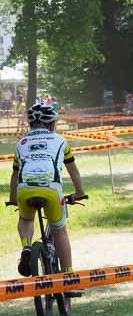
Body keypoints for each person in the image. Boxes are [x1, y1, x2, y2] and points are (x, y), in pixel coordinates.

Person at [10, 104, 85, 277]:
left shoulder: (21, 143)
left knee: (25, 219)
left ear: (30, 124)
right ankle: (68, 276)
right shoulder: (60, 141)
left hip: (24, 189)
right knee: (59, 231)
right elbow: (73, 170)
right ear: (52, 124)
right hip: (51, 188)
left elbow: (14, 175)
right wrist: (79, 192)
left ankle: (26, 246)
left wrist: (13, 199)